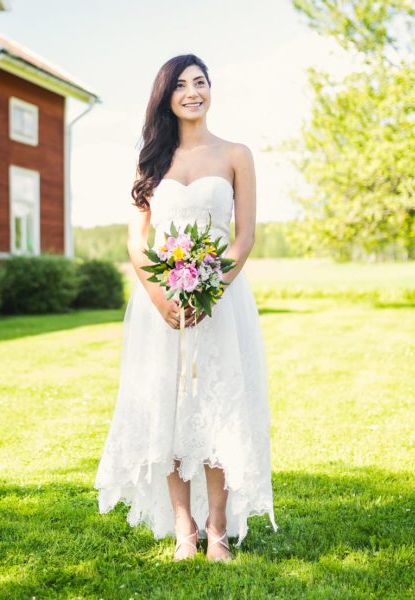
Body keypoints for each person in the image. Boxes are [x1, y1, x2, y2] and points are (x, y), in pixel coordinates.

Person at [93, 53, 278, 562]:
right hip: (162, 306)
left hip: (221, 299)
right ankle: (184, 528)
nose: (192, 91)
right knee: (169, 410)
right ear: (166, 97)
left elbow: (244, 238)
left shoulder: (236, 154)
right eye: (180, 85)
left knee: (216, 408)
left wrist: (211, 289)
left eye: (200, 82)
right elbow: (137, 241)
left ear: (210, 90)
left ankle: (217, 529)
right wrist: (160, 296)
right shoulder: (151, 161)